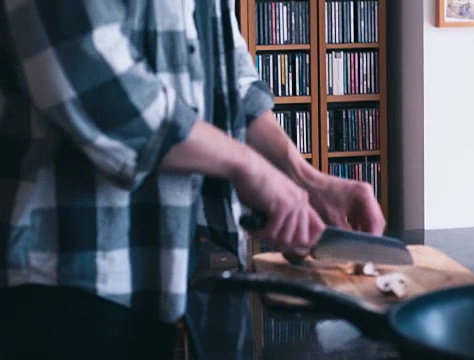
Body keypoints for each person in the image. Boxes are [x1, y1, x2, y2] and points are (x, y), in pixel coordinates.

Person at [0, 0, 385, 359]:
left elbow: (235, 84)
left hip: (166, 274)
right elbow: (97, 86)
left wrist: (308, 180)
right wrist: (248, 166)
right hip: (61, 278)